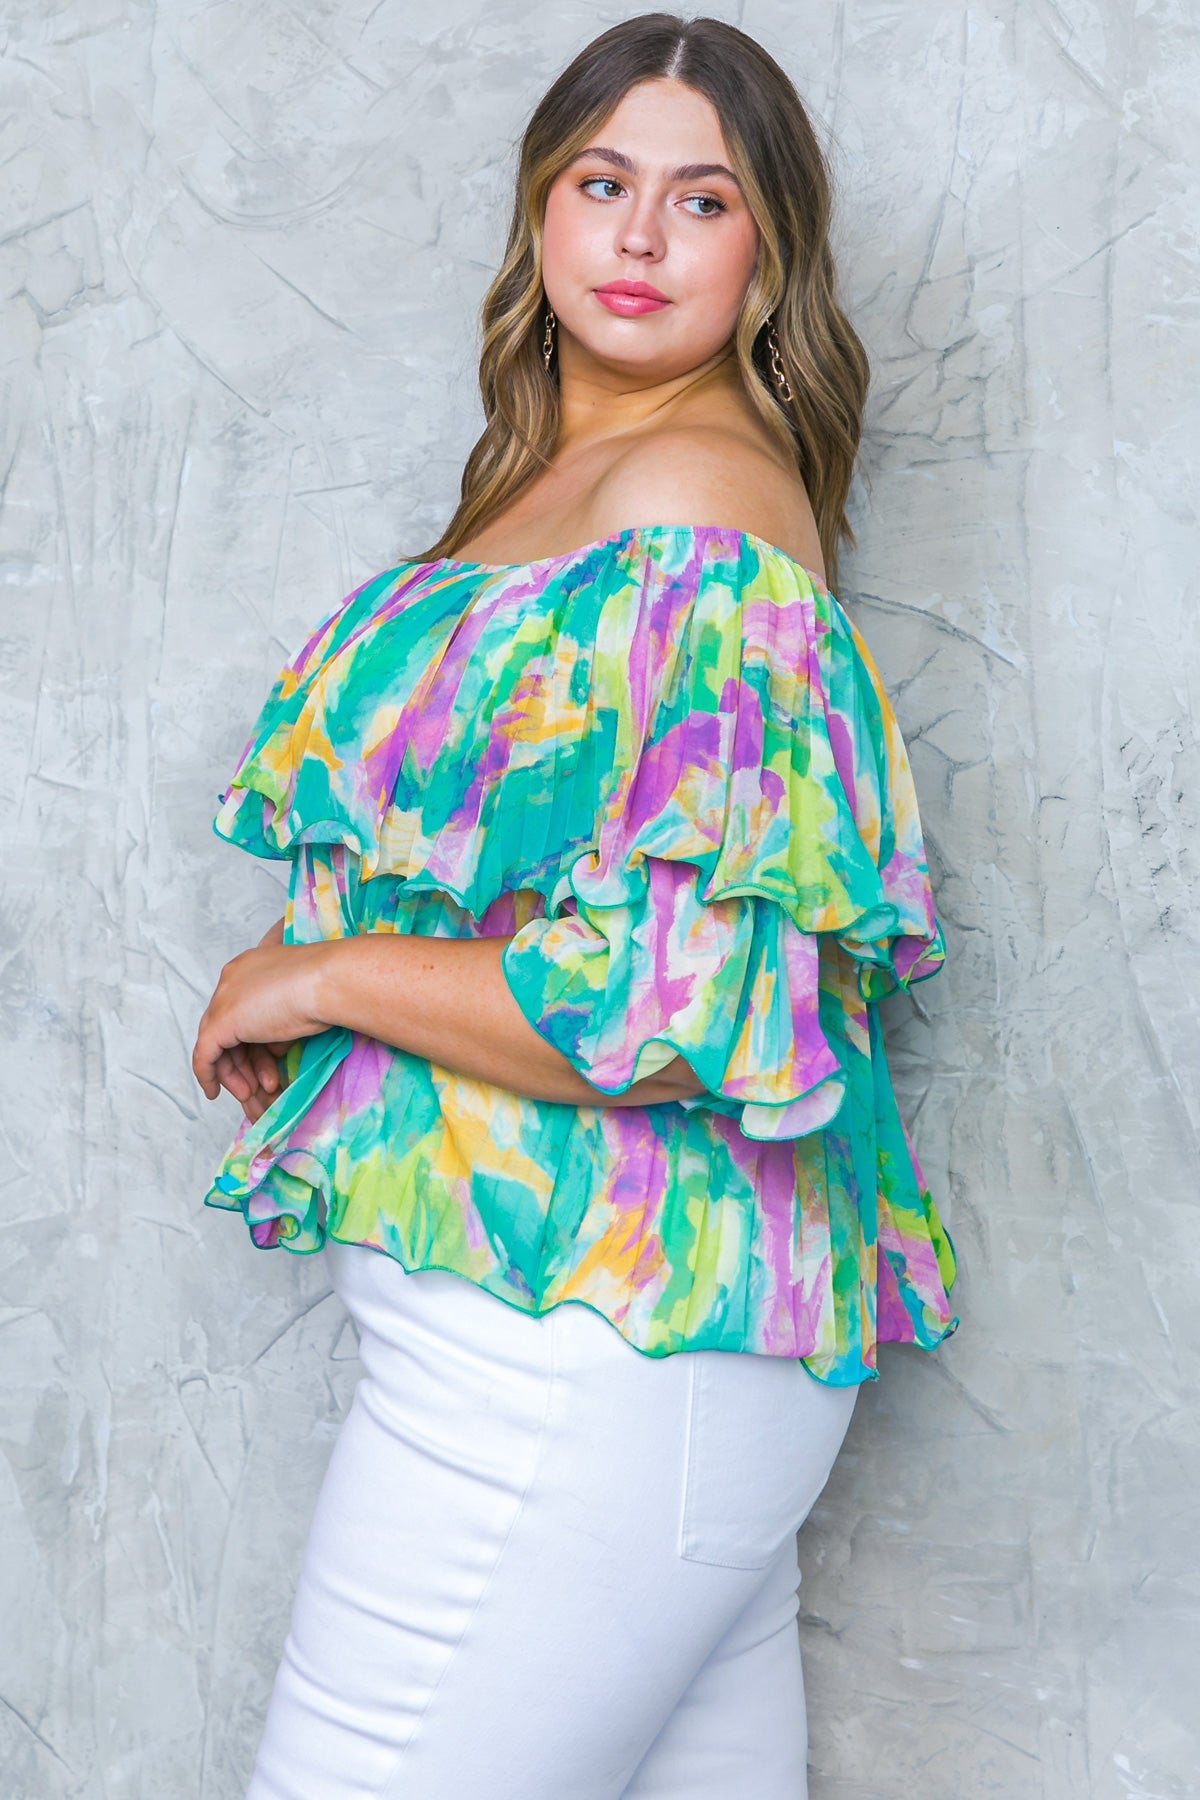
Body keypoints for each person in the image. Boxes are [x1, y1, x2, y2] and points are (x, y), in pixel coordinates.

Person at [191, 14, 960, 1797]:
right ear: (539, 207)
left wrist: (319, 977)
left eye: (704, 200)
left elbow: (673, 1013)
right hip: (597, 1349)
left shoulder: (698, 504)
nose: (641, 236)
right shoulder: (549, 482)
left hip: (579, 1361)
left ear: (766, 252)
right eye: (603, 183)